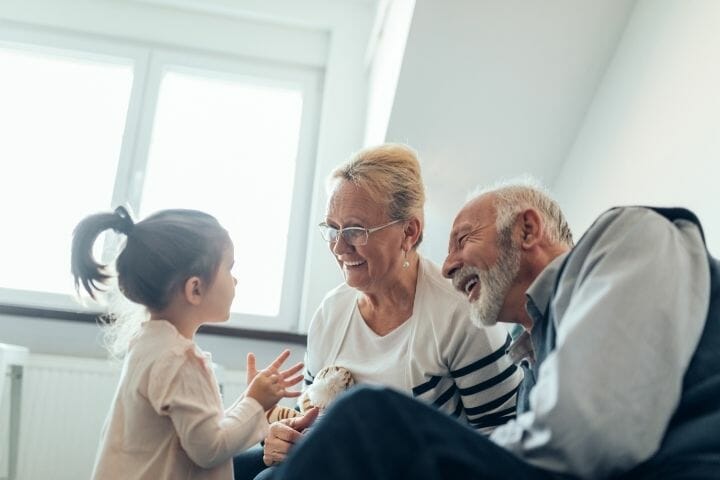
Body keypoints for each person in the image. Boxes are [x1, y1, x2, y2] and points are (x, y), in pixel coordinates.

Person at [269, 180, 720, 479]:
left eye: (462, 240)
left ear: (527, 228)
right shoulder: (532, 364)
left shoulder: (626, 236)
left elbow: (587, 436)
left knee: (366, 419)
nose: (445, 267)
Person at [235, 145, 523, 479]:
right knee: (225, 468)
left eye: (355, 230)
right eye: (332, 228)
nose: (340, 247)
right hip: (339, 462)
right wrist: (281, 437)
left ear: (409, 232)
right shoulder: (332, 312)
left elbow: (500, 436)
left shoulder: (458, 312)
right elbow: (309, 414)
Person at [71, 206, 304, 480]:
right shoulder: (178, 359)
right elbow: (210, 449)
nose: (236, 279)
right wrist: (255, 402)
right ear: (195, 288)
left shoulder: (151, 345)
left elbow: (199, 432)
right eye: (229, 268)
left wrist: (253, 401)